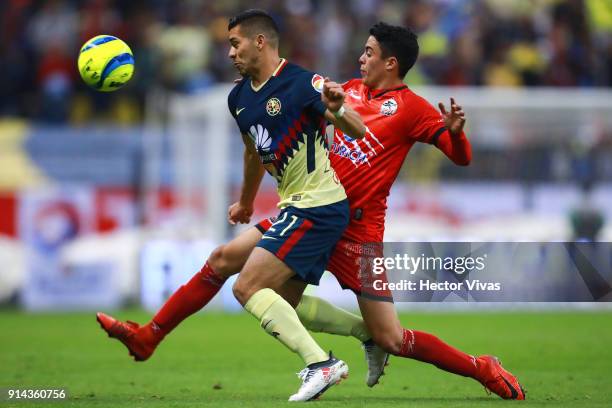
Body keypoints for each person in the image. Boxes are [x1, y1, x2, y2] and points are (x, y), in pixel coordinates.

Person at [98, 21, 526, 401]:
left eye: (370, 53)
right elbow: (281, 130)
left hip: (358, 231)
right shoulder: (344, 89)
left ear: (391, 63)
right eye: (362, 50)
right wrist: (250, 195)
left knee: (392, 337)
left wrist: (457, 135)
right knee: (228, 263)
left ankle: (481, 367)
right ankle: (149, 336)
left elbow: (459, 156)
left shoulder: (412, 108)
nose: (360, 58)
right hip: (311, 207)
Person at [99, 9, 365, 402]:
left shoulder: (303, 82)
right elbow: (254, 153)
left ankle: (319, 364)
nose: (229, 53)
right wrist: (244, 202)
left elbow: (357, 130)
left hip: (319, 205)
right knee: (226, 262)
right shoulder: (239, 97)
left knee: (247, 288)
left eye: (234, 43)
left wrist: (339, 107)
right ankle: (148, 337)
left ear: (260, 42)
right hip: (293, 206)